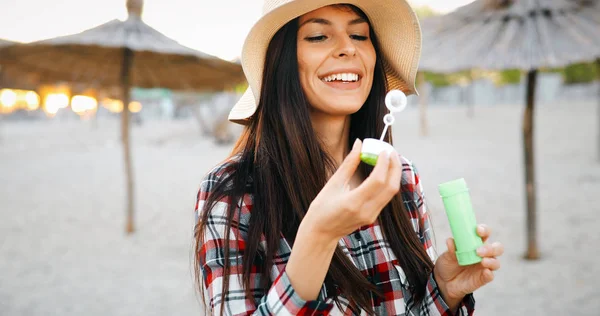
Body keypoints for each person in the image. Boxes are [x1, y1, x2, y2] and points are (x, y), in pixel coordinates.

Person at [194, 1, 504, 315]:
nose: (348, 49)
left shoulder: (400, 175)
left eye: (359, 35)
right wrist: (319, 235)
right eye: (318, 36)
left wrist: (444, 290)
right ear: (280, 60)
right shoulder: (231, 192)